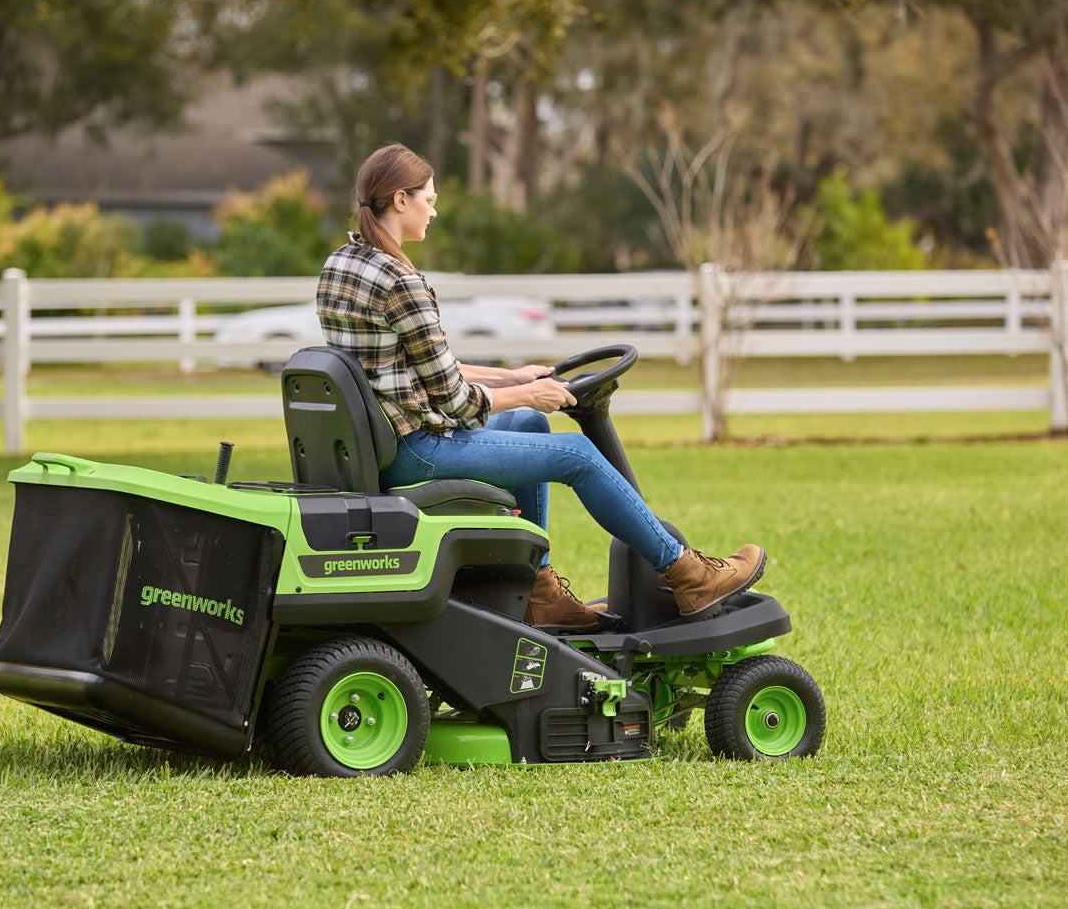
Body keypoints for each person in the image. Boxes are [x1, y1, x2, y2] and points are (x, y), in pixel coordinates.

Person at [315, 143, 767, 629]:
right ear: (400, 200)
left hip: (386, 444)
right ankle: (688, 574)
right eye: (429, 198)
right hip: (417, 450)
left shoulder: (342, 266)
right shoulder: (402, 282)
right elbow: (454, 403)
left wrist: (513, 378)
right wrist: (533, 393)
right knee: (577, 454)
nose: (434, 209)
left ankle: (540, 590)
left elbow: (411, 367)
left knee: (530, 423)